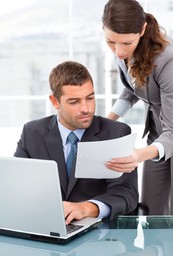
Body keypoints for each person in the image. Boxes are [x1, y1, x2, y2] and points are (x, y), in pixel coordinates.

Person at [14, 60, 138, 224]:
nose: (86, 109)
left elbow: (126, 193)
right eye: (74, 102)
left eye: (90, 98)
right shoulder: (32, 133)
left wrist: (87, 208)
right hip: (46, 226)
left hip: (99, 233)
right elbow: (17, 186)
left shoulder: (116, 133)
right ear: (55, 102)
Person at [102, 0, 173, 215]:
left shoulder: (167, 61)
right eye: (111, 41)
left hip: (171, 130)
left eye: (126, 43)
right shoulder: (121, 47)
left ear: (142, 30)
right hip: (158, 134)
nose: (118, 51)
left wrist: (138, 155)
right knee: (151, 210)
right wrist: (106, 122)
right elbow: (133, 87)